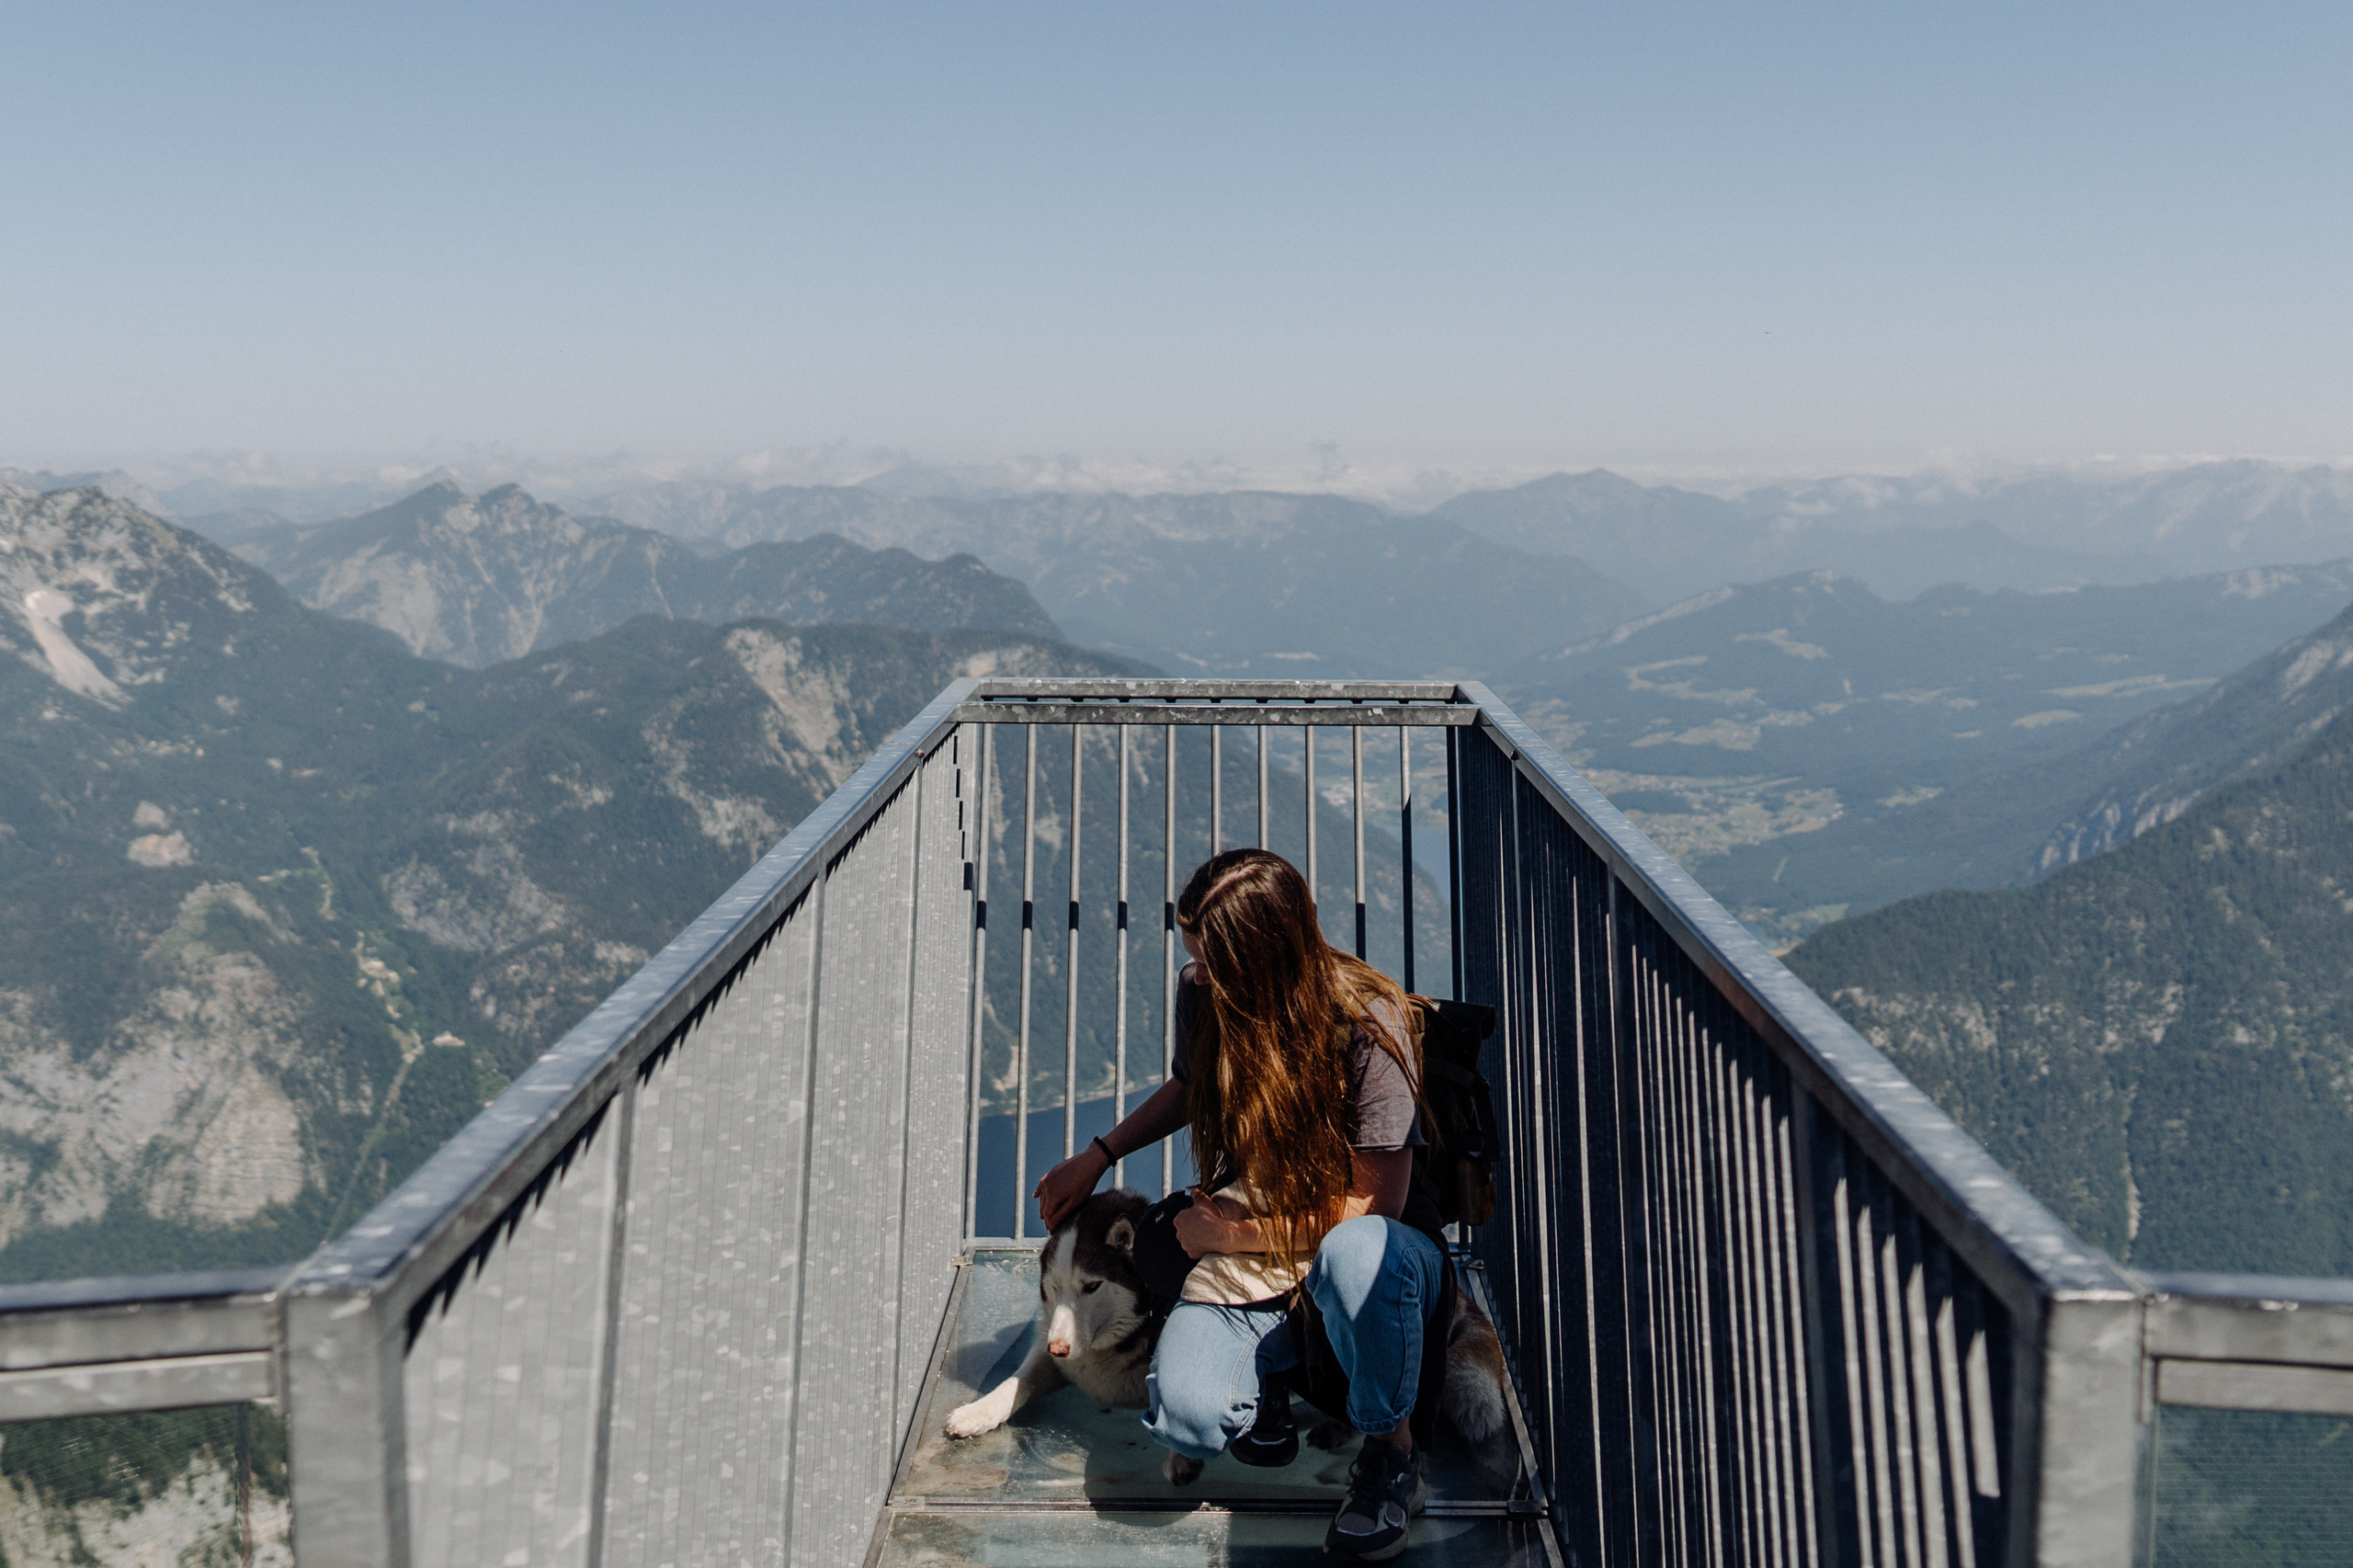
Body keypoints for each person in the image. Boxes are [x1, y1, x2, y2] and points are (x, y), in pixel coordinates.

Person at [1032, 847, 1443, 1562]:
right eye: (1198, 961)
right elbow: (1193, 1087)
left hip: (1376, 1254)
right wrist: (1098, 1155)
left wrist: (1227, 1238)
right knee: (1186, 1418)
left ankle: (1392, 1455)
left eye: (1220, 965)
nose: (1204, 979)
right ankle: (1269, 1381)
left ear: (1269, 956)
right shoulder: (1210, 993)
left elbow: (1373, 1209)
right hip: (1259, 1246)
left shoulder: (1372, 1025)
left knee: (1352, 1257)